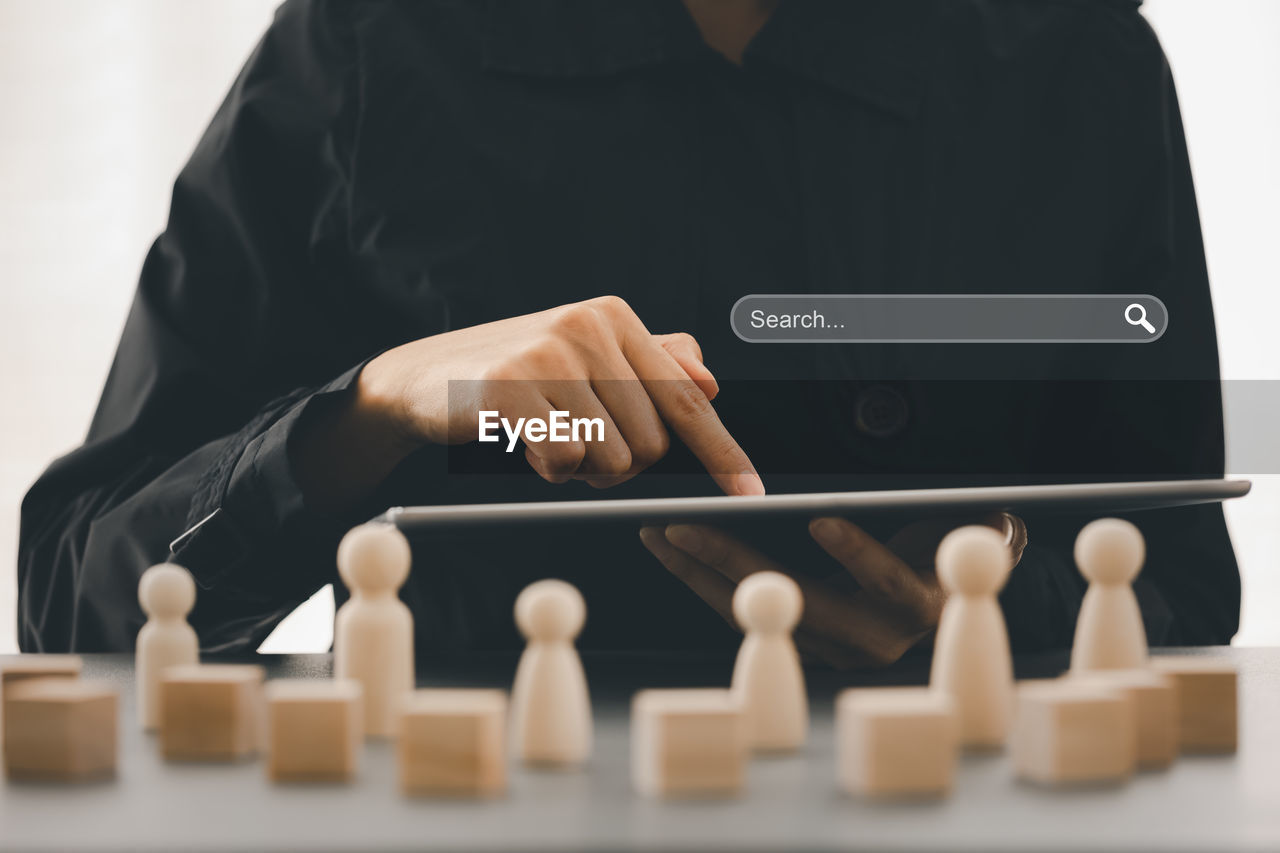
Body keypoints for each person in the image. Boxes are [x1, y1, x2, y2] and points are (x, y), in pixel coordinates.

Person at [18, 0, 1238, 664]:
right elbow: (80, 598)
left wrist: (986, 608)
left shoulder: (1076, 60)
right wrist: (373, 408)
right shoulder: (365, 47)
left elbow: (1179, 579)